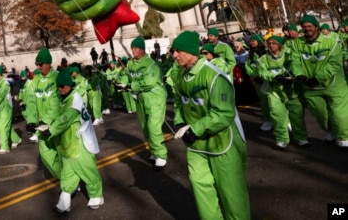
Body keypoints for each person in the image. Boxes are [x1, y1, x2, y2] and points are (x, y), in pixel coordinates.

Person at [171, 30, 250, 220]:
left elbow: (223, 113)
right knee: (201, 189)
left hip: (222, 143)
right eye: (174, 51)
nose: (174, 55)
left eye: (179, 51)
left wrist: (196, 129)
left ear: (191, 51)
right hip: (196, 145)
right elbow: (179, 102)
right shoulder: (181, 76)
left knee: (232, 194)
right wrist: (180, 120)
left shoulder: (214, 76)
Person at [42, 68, 103, 212]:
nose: (60, 89)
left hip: (80, 143)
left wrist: (49, 130)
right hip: (67, 144)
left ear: (69, 85)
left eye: (62, 86)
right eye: (58, 86)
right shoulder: (63, 99)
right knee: (67, 174)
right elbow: (55, 114)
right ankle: (65, 200)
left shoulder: (75, 100)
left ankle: (96, 195)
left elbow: (65, 119)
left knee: (87, 170)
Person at [289, 14, 348, 147]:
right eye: (304, 27)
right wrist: (299, 75)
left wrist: (317, 78)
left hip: (334, 86)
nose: (307, 29)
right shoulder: (297, 43)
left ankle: (344, 136)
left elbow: (334, 64)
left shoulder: (332, 41)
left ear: (317, 27)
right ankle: (330, 131)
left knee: (339, 114)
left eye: (310, 26)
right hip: (310, 88)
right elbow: (295, 61)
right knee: (321, 115)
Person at [257, 35, 309, 149]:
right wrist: (275, 77)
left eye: (274, 43)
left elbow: (297, 66)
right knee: (277, 116)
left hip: (292, 92)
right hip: (275, 93)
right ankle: (281, 139)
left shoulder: (289, 56)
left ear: (280, 45)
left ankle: (300, 138)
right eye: (269, 43)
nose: (271, 45)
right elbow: (262, 73)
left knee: (297, 116)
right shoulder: (263, 59)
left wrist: (293, 76)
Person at [127, 37, 168, 170]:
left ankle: (161, 156)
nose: (133, 50)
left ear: (142, 49)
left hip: (155, 98)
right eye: (132, 48)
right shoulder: (131, 63)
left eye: (136, 48)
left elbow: (148, 82)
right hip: (140, 98)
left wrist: (131, 85)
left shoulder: (151, 64)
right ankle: (154, 151)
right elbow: (127, 76)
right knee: (145, 126)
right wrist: (119, 81)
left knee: (153, 127)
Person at [26, 48, 61, 178]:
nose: (38, 67)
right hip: (42, 125)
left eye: (41, 64)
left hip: (56, 124)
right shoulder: (35, 80)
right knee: (46, 154)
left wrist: (47, 120)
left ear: (48, 63)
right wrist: (31, 121)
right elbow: (31, 102)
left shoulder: (57, 78)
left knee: (62, 153)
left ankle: (70, 183)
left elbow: (56, 102)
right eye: (37, 64)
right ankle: (63, 179)